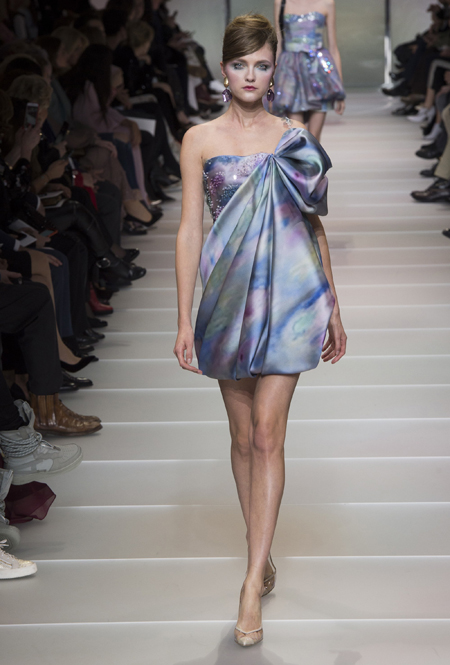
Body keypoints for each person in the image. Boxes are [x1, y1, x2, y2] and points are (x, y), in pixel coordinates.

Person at [174, 13, 347, 648]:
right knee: (243, 437)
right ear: (224, 69)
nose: (251, 75)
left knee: (268, 434)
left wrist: (333, 304)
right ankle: (261, 550)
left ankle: (250, 582)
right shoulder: (199, 139)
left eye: (262, 65)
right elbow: (189, 228)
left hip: (292, 298)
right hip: (227, 300)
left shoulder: (294, 137)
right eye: (240, 64)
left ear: (276, 71)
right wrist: (183, 315)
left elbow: (313, 223)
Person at [272, 0, 345, 140]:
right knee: (297, 138)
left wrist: (339, 90)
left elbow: (333, 48)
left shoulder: (327, 3)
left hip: (319, 73)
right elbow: (278, 45)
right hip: (290, 73)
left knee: (314, 139)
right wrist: (272, 83)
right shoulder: (280, 2)